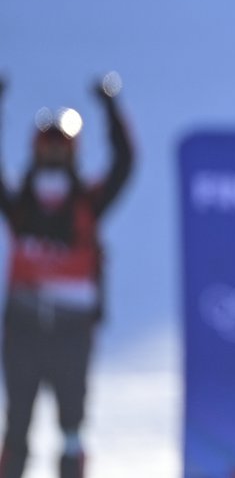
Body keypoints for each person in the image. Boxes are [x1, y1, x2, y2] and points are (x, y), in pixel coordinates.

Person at [0, 74, 134, 478]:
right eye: (48, 144)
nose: (54, 152)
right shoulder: (22, 205)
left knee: (72, 429)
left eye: (62, 145)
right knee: (18, 427)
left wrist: (112, 108)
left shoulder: (86, 206)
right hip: (24, 330)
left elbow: (124, 164)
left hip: (72, 334)